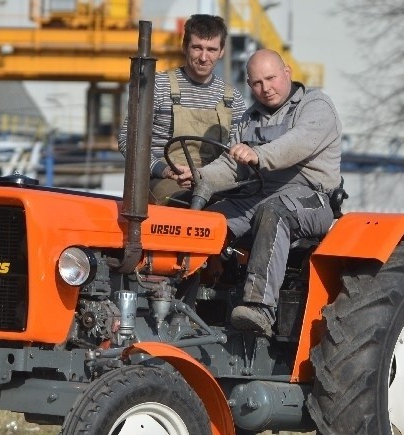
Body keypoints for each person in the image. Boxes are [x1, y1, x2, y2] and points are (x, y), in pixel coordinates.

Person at [180, 49, 342, 336]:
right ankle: (183, 306)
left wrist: (257, 154)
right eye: (256, 83)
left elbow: (297, 144)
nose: (265, 88)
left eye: (271, 78)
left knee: (274, 212)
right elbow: (231, 167)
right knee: (203, 223)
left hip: (310, 197)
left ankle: (259, 309)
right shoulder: (248, 119)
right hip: (258, 194)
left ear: (287, 72)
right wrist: (198, 176)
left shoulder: (316, 105)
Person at [117, 14, 246, 206]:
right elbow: (128, 139)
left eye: (211, 49)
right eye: (197, 48)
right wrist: (164, 169)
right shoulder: (159, 86)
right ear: (185, 46)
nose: (204, 57)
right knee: (184, 204)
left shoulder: (232, 98)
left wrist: (210, 175)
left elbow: (239, 150)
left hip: (212, 181)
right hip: (164, 180)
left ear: (222, 51)